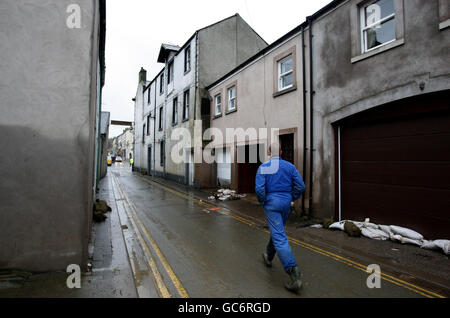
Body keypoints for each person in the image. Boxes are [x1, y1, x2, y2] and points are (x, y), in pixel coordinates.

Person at [255, 142, 306, 294]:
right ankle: (268, 256)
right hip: (285, 204)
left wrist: (264, 201)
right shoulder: (290, 167)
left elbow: (259, 189)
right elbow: (301, 186)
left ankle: (294, 273)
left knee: (279, 236)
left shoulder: (263, 167)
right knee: (278, 231)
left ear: (269, 152)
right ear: (282, 152)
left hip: (272, 204)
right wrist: (292, 197)